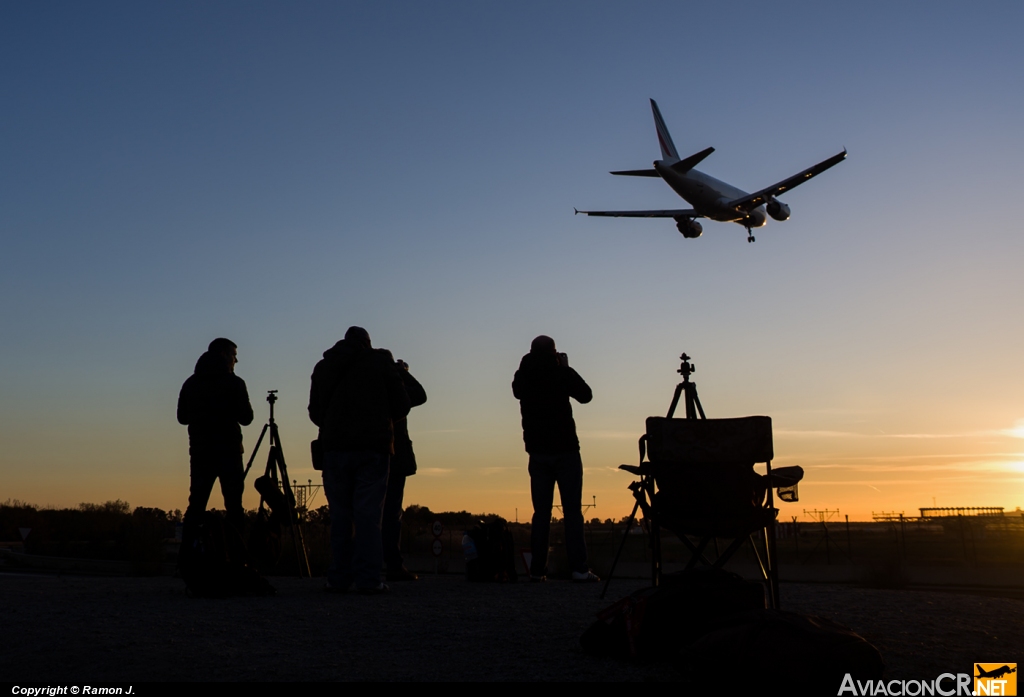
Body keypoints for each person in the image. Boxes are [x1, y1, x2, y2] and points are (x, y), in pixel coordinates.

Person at [308, 326, 411, 594]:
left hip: (334, 450)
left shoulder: (324, 366)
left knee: (340, 515)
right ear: (368, 343)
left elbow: (315, 412)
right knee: (368, 515)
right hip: (373, 450)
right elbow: (403, 405)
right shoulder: (381, 362)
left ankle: (338, 577)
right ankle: (368, 579)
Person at [512, 335, 599, 582]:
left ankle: (538, 570)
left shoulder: (523, 375)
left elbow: (517, 389)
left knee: (541, 513)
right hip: (565, 450)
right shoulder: (561, 373)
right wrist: (567, 367)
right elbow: (586, 395)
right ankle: (579, 569)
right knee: (572, 512)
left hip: (537, 453)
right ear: (554, 352)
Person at [177, 337, 254, 540]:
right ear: (223, 355)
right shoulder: (234, 383)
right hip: (229, 452)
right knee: (234, 506)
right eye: (233, 356)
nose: (235, 361)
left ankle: (187, 559)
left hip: (201, 452)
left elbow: (182, 418)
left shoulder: (191, 383)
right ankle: (237, 558)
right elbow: (247, 418)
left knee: (196, 504)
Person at [382, 359, 427, 582]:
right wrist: (402, 373)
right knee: (391, 512)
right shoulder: (392, 386)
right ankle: (392, 564)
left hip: (357, 451)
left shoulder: (352, 381)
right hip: (393, 454)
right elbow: (419, 394)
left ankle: (353, 565)